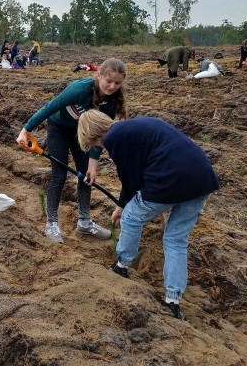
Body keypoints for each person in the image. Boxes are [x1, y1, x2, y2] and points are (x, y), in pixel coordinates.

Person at [77, 110, 219, 320]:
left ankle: (122, 265)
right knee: (176, 239)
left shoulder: (114, 138)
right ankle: (172, 300)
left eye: (95, 144)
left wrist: (122, 207)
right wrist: (123, 203)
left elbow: (131, 179)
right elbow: (136, 175)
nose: (99, 148)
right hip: (202, 178)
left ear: (92, 135)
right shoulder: (134, 127)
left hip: (171, 179)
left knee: (132, 218)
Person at [16, 58, 127, 243]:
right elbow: (50, 107)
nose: (112, 86)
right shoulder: (79, 89)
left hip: (82, 134)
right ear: (98, 75)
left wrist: (93, 164)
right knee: (59, 174)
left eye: (117, 83)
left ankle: (84, 221)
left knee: (86, 175)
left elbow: (99, 135)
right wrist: (25, 130)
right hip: (59, 128)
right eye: (109, 81)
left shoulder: (113, 102)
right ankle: (51, 223)